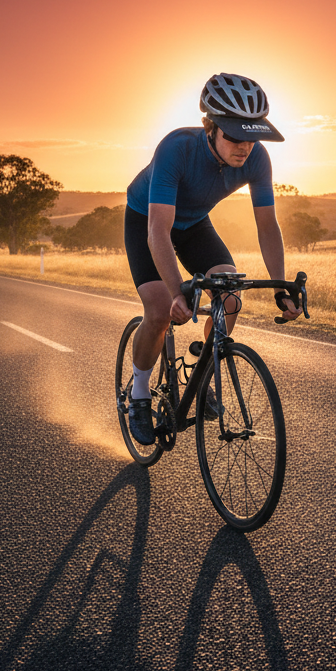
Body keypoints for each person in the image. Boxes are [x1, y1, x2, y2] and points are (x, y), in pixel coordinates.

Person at [124, 73, 301, 444]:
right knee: (160, 309)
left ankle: (203, 373)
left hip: (193, 225)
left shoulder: (257, 159)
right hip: (148, 220)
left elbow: (267, 226)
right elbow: (158, 231)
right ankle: (138, 395)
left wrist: (281, 288)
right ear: (211, 127)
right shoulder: (177, 148)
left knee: (230, 296)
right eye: (234, 137)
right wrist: (177, 292)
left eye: (252, 137)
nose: (244, 147)